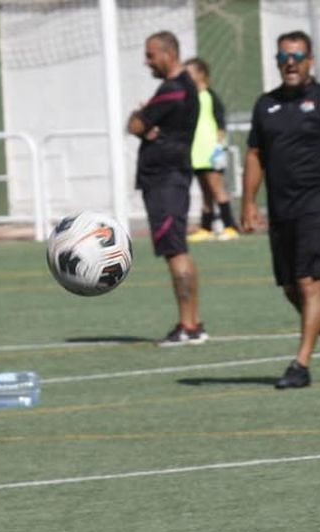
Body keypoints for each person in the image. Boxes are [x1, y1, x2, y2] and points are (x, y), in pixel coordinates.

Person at [240, 31, 320, 390]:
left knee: (309, 284)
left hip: (317, 205)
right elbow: (254, 155)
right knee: (292, 288)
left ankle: (301, 364)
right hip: (281, 209)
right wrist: (247, 202)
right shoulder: (265, 105)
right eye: (283, 57)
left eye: (296, 56)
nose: (289, 63)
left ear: (310, 61)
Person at [130, 31, 208, 347]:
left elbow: (135, 124)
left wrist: (140, 117)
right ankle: (193, 322)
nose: (146, 61)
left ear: (169, 54)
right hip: (170, 177)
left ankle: (188, 325)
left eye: (151, 55)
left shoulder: (172, 91)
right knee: (177, 250)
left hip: (165, 179)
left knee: (175, 251)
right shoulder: (184, 89)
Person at [182, 57, 239, 242]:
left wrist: (218, 149)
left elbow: (220, 125)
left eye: (189, 73)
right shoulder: (189, 98)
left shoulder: (210, 96)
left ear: (201, 74)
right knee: (205, 192)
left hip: (210, 153)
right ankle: (206, 228)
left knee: (217, 189)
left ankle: (230, 226)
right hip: (196, 153)